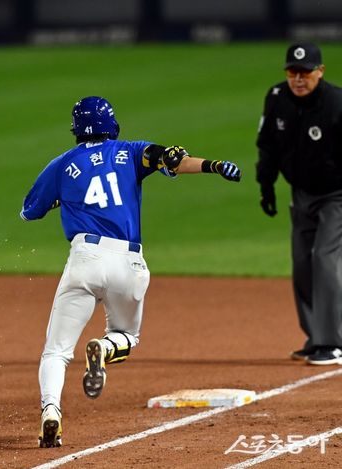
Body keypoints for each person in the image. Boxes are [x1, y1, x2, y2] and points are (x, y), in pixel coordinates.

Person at [21, 96, 242, 448]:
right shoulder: (132, 151)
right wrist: (213, 165)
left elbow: (30, 211)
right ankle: (104, 347)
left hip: (85, 260)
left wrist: (62, 198)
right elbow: (173, 159)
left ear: (76, 129)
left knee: (56, 351)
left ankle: (51, 411)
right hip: (129, 263)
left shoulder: (62, 164)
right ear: (112, 124)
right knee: (126, 334)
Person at [256, 43, 342, 366]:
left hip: (336, 195)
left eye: (305, 72)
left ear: (320, 72)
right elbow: (268, 146)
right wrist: (266, 186)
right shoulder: (277, 98)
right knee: (302, 262)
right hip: (301, 193)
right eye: (292, 72)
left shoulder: (336, 104)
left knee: (325, 258)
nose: (298, 78)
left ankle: (333, 342)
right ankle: (316, 337)